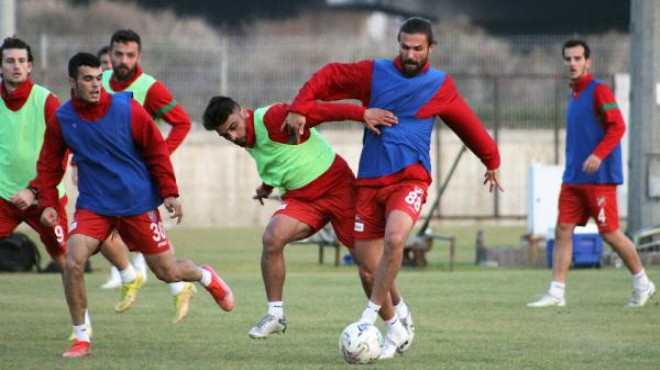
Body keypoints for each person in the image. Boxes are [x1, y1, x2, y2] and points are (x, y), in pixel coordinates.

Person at [285, 17, 502, 359]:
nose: (410, 54)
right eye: (404, 47)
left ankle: (368, 320)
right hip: (369, 182)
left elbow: (466, 123)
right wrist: (299, 106)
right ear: (398, 44)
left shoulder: (439, 85)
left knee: (396, 238)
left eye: (417, 48)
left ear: (431, 49)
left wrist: (491, 159)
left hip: (409, 179)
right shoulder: (374, 73)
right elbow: (329, 76)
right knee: (367, 268)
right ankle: (399, 322)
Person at [35, 53, 234, 358]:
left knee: (168, 273)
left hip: (136, 203)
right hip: (94, 206)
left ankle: (205, 276)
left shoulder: (126, 108)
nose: (96, 85)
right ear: (72, 82)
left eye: (99, 78)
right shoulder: (63, 119)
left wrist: (169, 192)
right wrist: (47, 202)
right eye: (88, 79)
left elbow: (156, 148)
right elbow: (48, 165)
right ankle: (81, 338)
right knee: (73, 261)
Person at [202, 96, 397, 339]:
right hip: (303, 200)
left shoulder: (272, 117)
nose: (233, 137)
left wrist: (363, 114)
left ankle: (397, 322)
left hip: (338, 188)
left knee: (369, 266)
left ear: (243, 112)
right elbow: (283, 156)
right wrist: (267, 186)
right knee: (272, 237)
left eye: (233, 127)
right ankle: (275, 315)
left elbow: (321, 111)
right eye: (225, 135)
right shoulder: (247, 138)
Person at [527, 39, 655, 308]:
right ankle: (556, 292)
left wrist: (598, 154)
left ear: (588, 62)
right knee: (563, 230)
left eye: (577, 58)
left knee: (610, 234)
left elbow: (617, 126)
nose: (572, 63)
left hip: (599, 180)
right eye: (568, 59)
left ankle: (642, 282)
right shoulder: (573, 95)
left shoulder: (599, 91)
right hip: (573, 178)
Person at [96, 29, 196, 325]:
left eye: (130, 55)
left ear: (139, 56)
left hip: (135, 180)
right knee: (93, 232)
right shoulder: (97, 82)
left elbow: (182, 122)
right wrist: (78, 164)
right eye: (118, 54)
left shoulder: (148, 88)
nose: (123, 60)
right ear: (109, 55)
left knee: (149, 246)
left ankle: (183, 282)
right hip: (102, 177)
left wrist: (158, 156)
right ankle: (131, 276)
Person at [0, 36, 68, 272]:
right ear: (1, 66)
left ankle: (83, 311)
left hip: (45, 198)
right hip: (4, 197)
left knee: (64, 260)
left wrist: (33, 189)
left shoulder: (47, 101)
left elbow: (62, 151)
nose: (16, 66)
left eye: (22, 61)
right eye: (10, 61)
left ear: (30, 66)